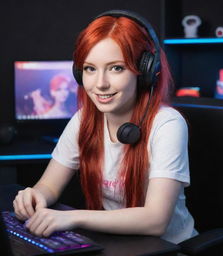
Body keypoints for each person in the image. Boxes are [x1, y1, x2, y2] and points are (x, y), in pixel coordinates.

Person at [13, 10, 198, 244]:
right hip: (118, 244)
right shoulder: (83, 120)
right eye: (90, 69)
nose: (100, 84)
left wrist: (71, 218)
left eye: (116, 68)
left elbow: (155, 219)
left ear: (145, 71)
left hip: (169, 247)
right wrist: (35, 196)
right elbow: (49, 184)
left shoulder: (167, 124)